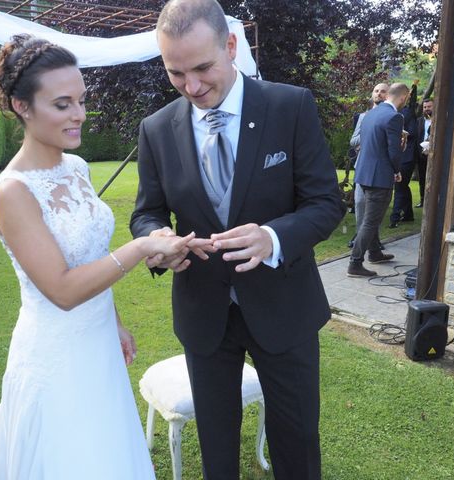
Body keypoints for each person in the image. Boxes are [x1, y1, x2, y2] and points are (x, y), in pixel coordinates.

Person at [0, 34, 195, 480]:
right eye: (62, 104)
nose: (79, 114)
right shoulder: (13, 192)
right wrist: (141, 246)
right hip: (55, 352)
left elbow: (91, 256)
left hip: (97, 340)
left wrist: (114, 319)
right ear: (23, 107)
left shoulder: (75, 168)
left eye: (81, 100)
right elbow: (61, 289)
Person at [130, 1, 345, 478]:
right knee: (217, 450)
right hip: (204, 316)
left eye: (203, 68)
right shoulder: (157, 129)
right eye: (176, 73)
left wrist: (273, 236)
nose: (192, 86)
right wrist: (157, 239)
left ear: (230, 46)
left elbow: (325, 202)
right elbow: (145, 212)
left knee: (297, 443)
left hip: (284, 308)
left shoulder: (290, 106)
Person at [347, 83, 410, 278]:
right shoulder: (394, 117)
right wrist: (397, 170)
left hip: (363, 174)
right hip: (379, 178)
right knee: (370, 222)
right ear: (403, 97)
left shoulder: (369, 114)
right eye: (406, 99)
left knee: (370, 219)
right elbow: (393, 150)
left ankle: (374, 253)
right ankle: (355, 263)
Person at [347, 82, 389, 249]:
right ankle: (363, 240)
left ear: (389, 95)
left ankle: (370, 244)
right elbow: (353, 140)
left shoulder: (392, 116)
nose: (378, 94)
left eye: (383, 91)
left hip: (380, 168)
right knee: (359, 203)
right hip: (362, 166)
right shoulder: (364, 117)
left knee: (376, 209)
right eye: (376, 91)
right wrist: (369, 139)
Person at [388, 81, 419, 228]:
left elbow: (413, 132)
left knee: (399, 186)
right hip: (400, 155)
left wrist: (400, 133)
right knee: (403, 186)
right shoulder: (394, 112)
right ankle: (408, 214)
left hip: (406, 157)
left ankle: (394, 217)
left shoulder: (406, 113)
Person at [416, 98, 434, 207]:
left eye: (429, 107)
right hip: (421, 155)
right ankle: (423, 200)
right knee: (422, 179)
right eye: (425, 107)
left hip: (434, 155)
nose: (426, 109)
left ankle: (432, 201)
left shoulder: (439, 120)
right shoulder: (419, 121)